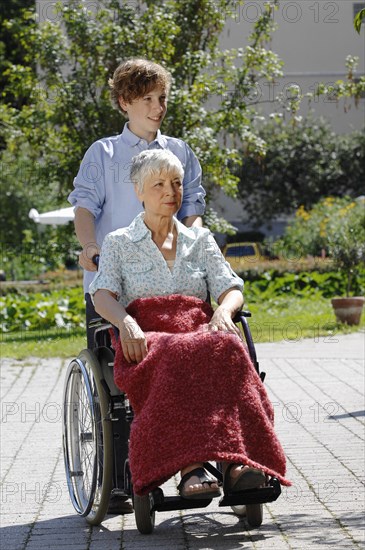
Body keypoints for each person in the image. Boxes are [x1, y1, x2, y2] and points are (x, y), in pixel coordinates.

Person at [89, 149, 290, 499]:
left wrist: (224, 311)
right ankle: (190, 466)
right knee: (178, 352)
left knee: (227, 344)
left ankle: (236, 463)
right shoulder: (119, 243)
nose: (171, 191)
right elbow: (101, 295)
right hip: (147, 338)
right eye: (159, 184)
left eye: (177, 183)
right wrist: (126, 323)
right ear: (138, 190)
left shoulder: (201, 240)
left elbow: (231, 287)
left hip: (199, 330)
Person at [68, 58, 205, 348]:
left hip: (172, 281)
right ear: (124, 101)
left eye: (162, 98)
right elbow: (84, 209)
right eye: (148, 99)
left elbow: (193, 208)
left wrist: (196, 242)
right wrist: (90, 246)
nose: (159, 108)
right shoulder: (103, 153)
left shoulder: (180, 151)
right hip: (112, 285)